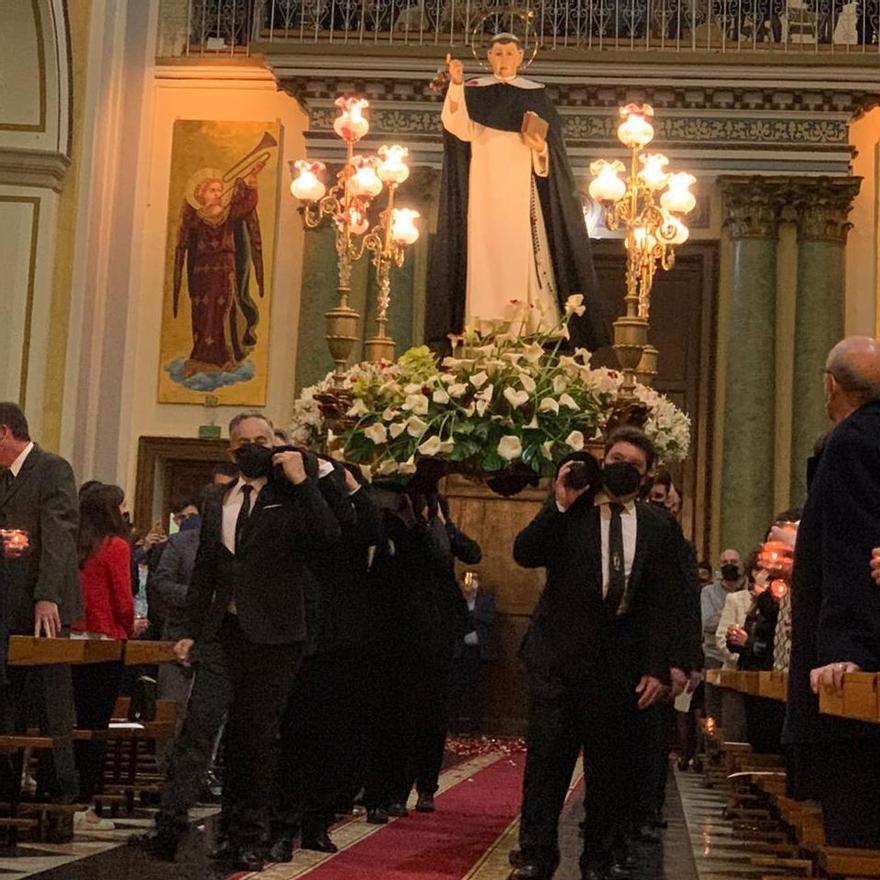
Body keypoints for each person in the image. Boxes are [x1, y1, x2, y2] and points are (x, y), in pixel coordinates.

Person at [133, 412, 340, 871]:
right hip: (223, 634)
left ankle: (248, 836)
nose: (252, 446)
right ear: (231, 450)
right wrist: (187, 629)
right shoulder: (215, 498)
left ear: (274, 442)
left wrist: (303, 481)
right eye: (242, 442)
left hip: (275, 636)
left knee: (254, 737)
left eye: (261, 439)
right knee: (197, 728)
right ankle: (168, 827)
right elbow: (207, 567)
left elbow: (328, 536)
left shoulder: (292, 496)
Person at [510, 428, 680, 880]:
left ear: (645, 478)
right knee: (546, 766)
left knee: (609, 773)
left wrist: (658, 667)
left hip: (616, 668)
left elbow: (663, 604)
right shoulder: (573, 510)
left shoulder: (658, 526)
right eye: (616, 457)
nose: (622, 467)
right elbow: (525, 553)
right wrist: (559, 503)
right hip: (558, 662)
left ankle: (598, 861)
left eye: (634, 464)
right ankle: (535, 857)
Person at [427, 33, 609, 349]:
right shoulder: (475, 91)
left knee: (520, 248)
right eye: (497, 53)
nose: (503, 59)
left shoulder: (535, 95)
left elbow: (548, 156)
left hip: (520, 188)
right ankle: (482, 325)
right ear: (488, 57)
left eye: (510, 53)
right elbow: (460, 128)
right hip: (484, 188)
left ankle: (523, 326)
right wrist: (456, 84)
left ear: (521, 57)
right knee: (484, 251)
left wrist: (538, 146)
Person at [784, 336, 880, 849]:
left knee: (855, 832)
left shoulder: (852, 441)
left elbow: (849, 552)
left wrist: (845, 651)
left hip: (857, 680)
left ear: (830, 386)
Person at [269, 459, 382, 862]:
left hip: (340, 641)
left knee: (331, 738)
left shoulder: (348, 512)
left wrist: (349, 486)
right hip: (298, 633)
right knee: (293, 736)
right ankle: (282, 826)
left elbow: (369, 528)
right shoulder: (299, 507)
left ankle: (316, 822)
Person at [0, 402, 81, 837]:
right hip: (7, 608)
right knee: (8, 704)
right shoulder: (4, 479)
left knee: (52, 706)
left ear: (4, 433)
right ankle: (10, 794)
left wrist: (48, 595)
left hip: (42, 608)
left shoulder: (52, 469)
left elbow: (58, 535)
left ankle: (61, 802)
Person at [70, 484, 135, 832]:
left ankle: (61, 796)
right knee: (95, 727)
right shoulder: (116, 546)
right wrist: (131, 626)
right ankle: (83, 804)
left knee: (67, 724)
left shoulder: (75, 543)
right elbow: (123, 600)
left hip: (68, 641)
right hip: (104, 641)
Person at [172, 160, 267, 379]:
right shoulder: (196, 217)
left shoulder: (228, 213)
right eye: (212, 190)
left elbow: (247, 205)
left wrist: (252, 181)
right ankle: (201, 356)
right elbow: (185, 241)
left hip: (225, 268)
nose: (217, 193)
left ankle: (224, 356)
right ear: (200, 194)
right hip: (202, 272)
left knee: (223, 310)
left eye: (219, 190)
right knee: (203, 313)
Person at [701, 549, 747, 728]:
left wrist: (723, 614)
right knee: (713, 709)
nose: (730, 565)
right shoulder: (708, 592)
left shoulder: (748, 589)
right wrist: (731, 614)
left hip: (739, 656)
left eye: (734, 562)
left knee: (735, 710)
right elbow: (708, 623)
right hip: (713, 655)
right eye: (725, 561)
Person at [448, 569, 496, 735]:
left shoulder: (485, 600)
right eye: (467, 580)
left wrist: (470, 611)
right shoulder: (455, 602)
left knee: (476, 692)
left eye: (474, 579)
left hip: (478, 653)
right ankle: (453, 727)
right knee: (456, 691)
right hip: (459, 653)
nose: (470, 583)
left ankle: (476, 728)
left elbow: (489, 619)